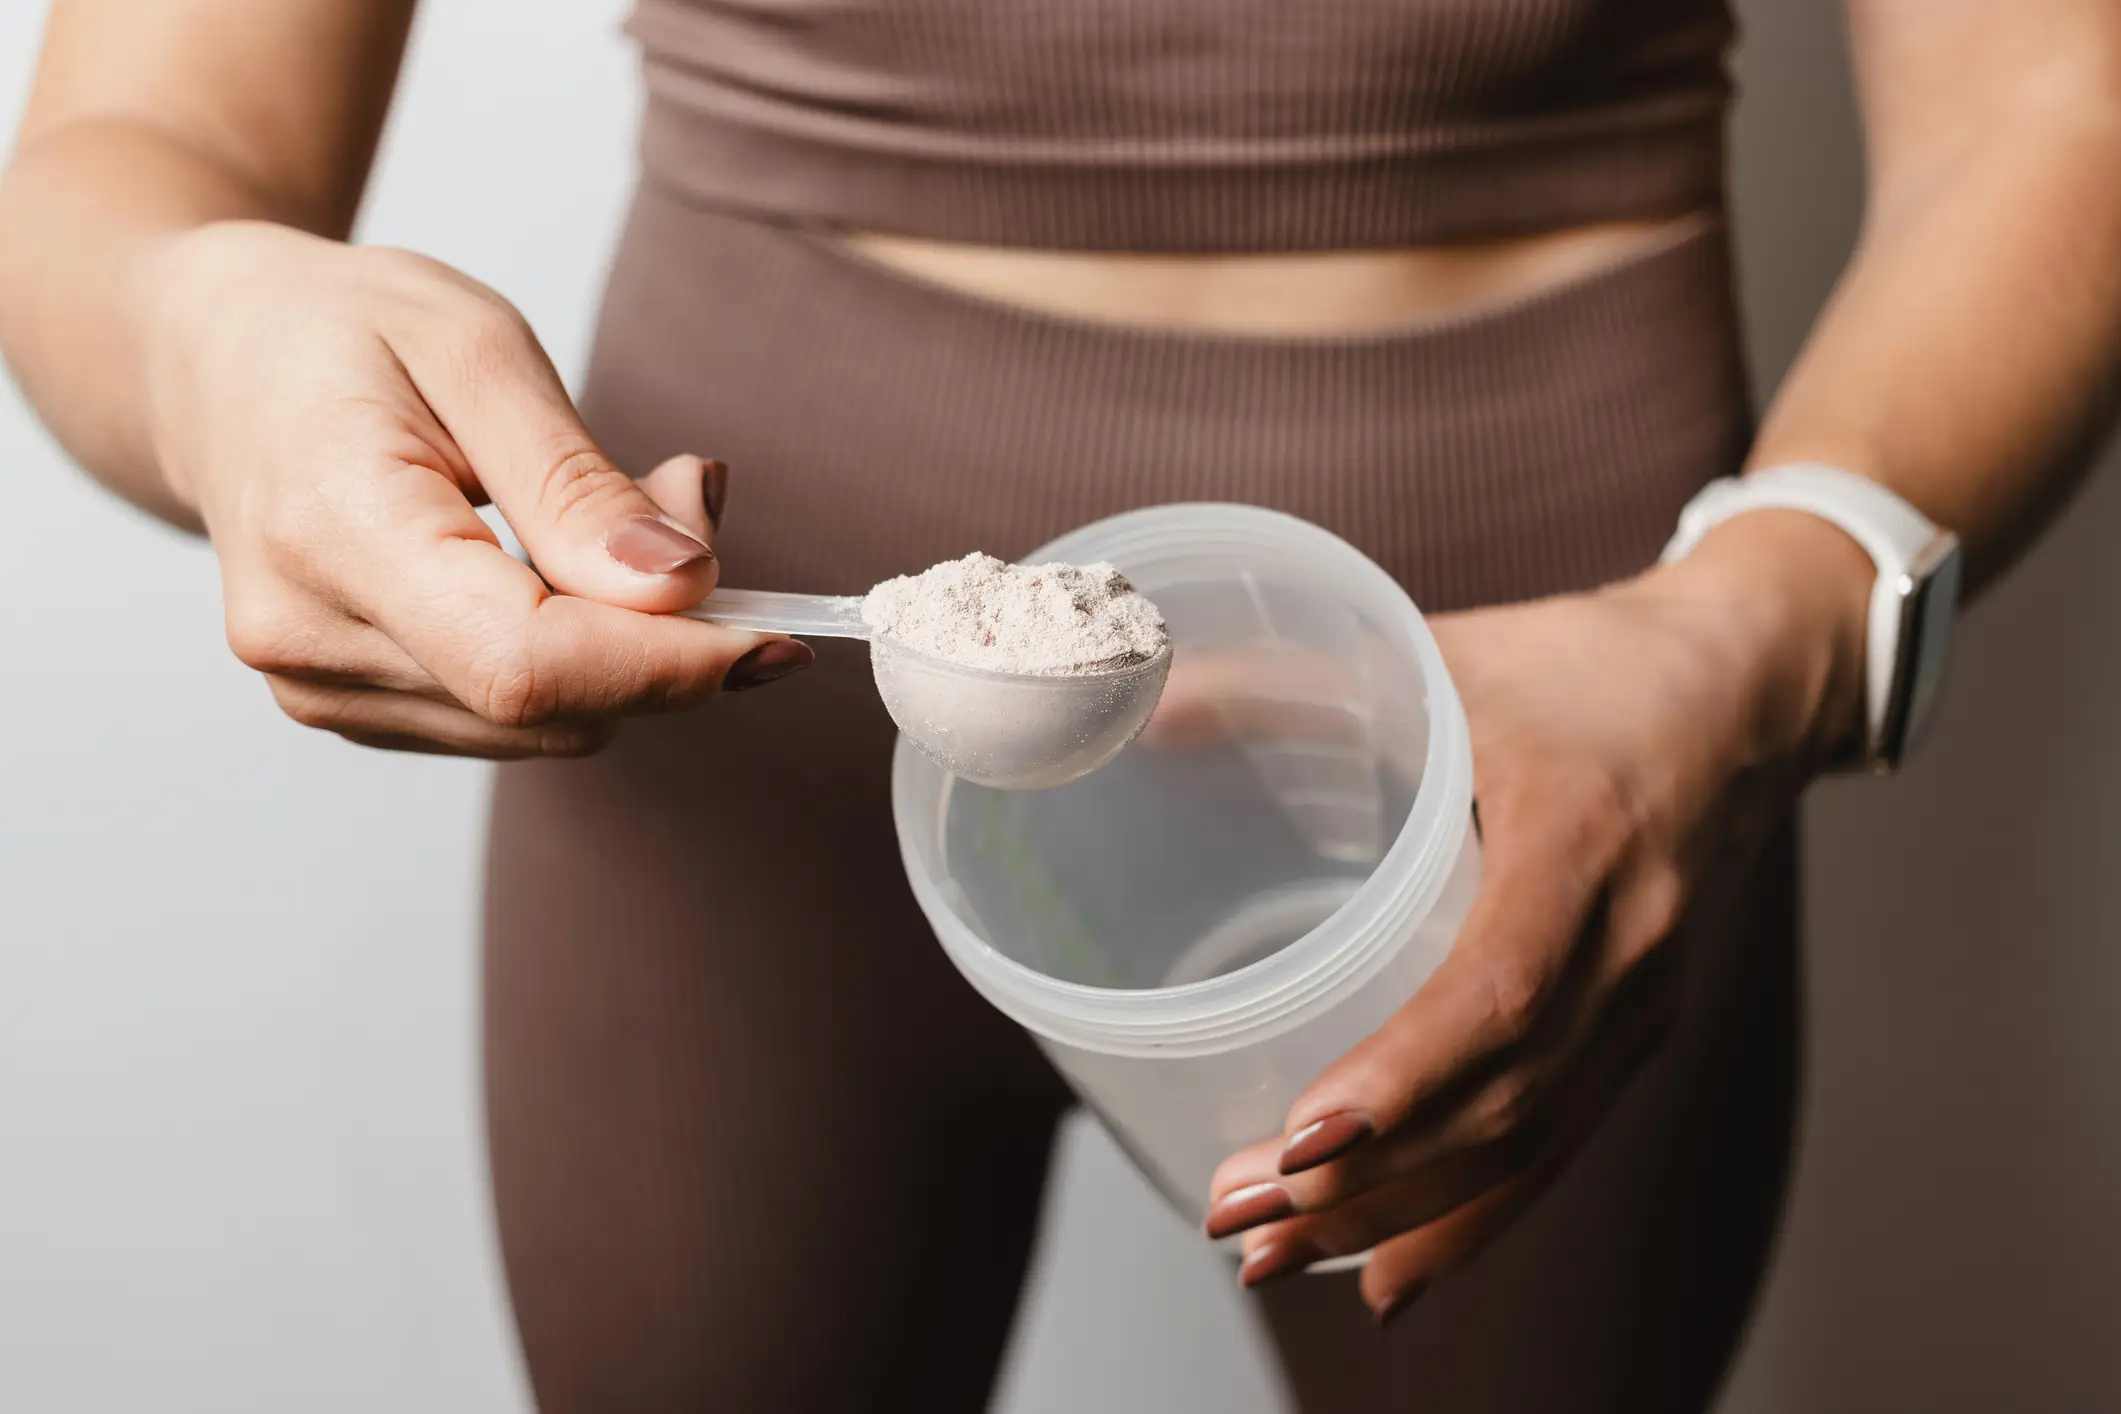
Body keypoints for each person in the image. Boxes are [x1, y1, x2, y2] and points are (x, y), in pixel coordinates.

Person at [3, 1, 2117, 1409]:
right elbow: (134, 142)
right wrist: (206, 336)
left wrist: (1749, 632)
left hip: (1553, 770)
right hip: (725, 778)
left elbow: (2051, 98)